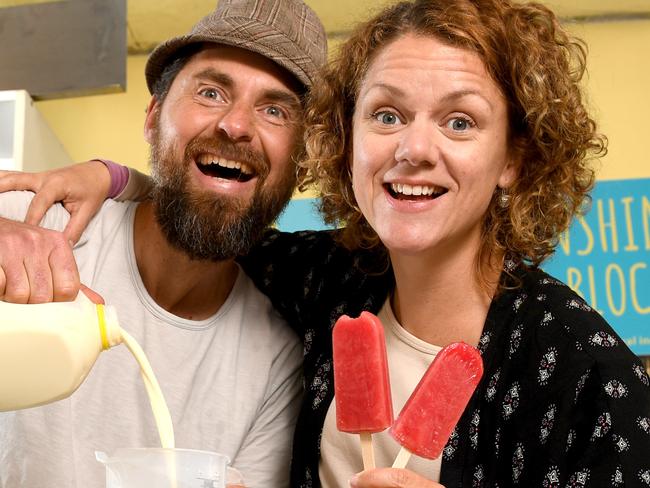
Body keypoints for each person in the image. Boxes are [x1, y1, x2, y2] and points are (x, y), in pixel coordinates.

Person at [2, 0, 650, 487]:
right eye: (387, 115)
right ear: (345, 143)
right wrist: (110, 178)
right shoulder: (328, 284)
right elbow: (213, 212)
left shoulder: (585, 376)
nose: (413, 149)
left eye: (459, 121)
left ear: (513, 154)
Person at [0, 0, 328, 487]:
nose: (236, 125)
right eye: (212, 91)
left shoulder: (275, 364)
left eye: (275, 110)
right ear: (153, 118)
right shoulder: (39, 222)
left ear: (300, 162)